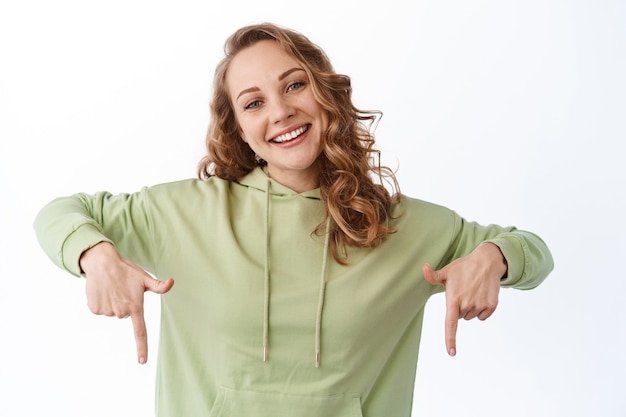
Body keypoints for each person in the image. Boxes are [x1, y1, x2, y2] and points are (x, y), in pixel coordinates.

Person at [34, 22, 554, 417]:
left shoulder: (403, 227)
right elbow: (60, 212)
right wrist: (94, 254)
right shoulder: (185, 213)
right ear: (238, 129)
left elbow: (532, 251)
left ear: (325, 92)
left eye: (294, 85)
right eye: (254, 102)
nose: (279, 112)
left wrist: (496, 257)